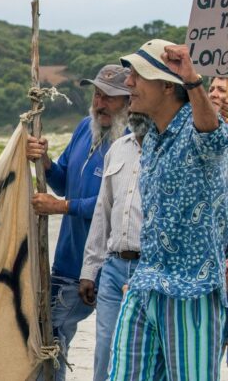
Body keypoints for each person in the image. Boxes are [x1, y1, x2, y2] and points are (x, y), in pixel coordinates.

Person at [108, 40, 228, 380]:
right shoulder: (153, 138)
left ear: (166, 85)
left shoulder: (199, 129)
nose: (128, 83)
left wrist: (192, 79)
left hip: (193, 291)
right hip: (146, 284)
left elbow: (213, 134)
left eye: (138, 75)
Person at [26, 64, 130, 381]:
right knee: (50, 336)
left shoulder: (131, 142)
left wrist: (61, 207)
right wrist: (44, 161)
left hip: (111, 265)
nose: (100, 103)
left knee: (103, 344)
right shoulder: (86, 127)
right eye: (98, 94)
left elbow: (111, 205)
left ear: (129, 101)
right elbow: (63, 180)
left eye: (110, 97)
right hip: (69, 260)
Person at [78, 112, 152, 381]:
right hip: (113, 267)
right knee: (105, 349)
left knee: (144, 353)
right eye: (130, 101)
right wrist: (89, 270)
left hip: (150, 269)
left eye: (139, 99)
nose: (133, 109)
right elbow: (103, 209)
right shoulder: (118, 149)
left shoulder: (170, 149)